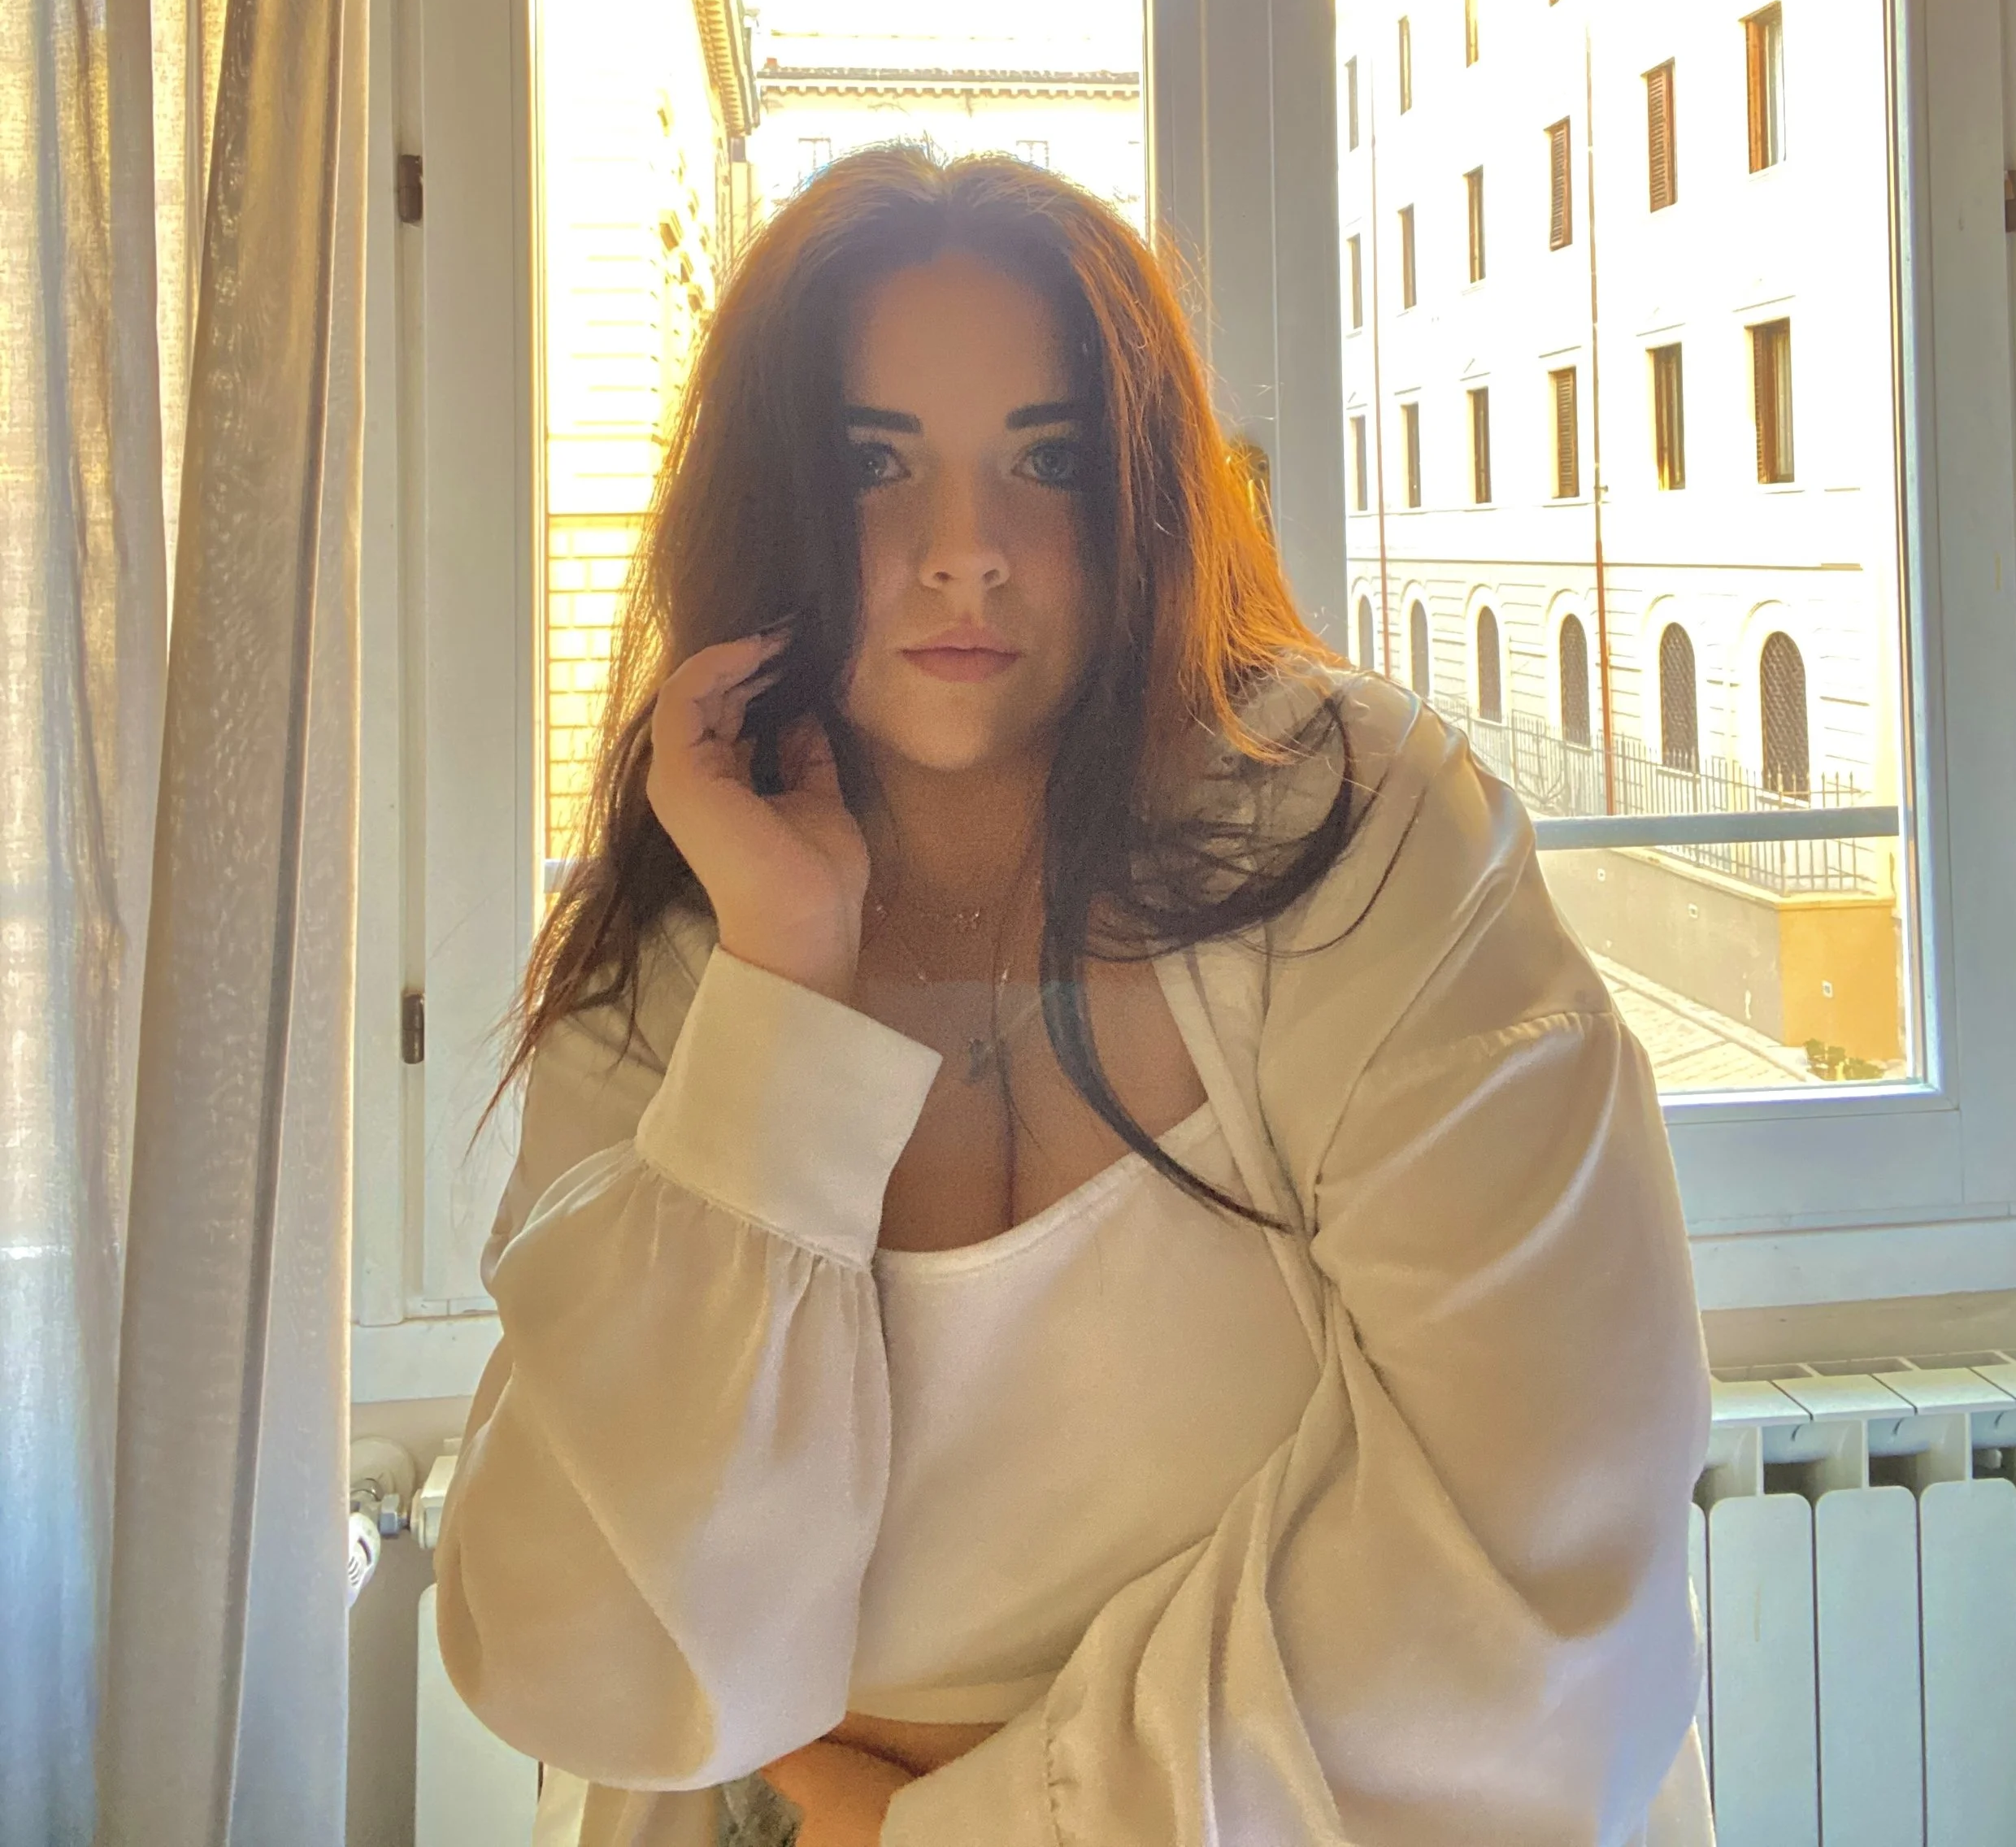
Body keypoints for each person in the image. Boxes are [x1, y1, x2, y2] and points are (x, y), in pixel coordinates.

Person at [435, 146, 1717, 1847]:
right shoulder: (679, 932)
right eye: (872, 462)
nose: (963, 552)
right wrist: (782, 990)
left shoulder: (1361, 821)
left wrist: (927, 1823)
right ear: (771, 503)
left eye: (1045, 459)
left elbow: (1539, 1539)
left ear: (1143, 495)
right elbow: (598, 1638)